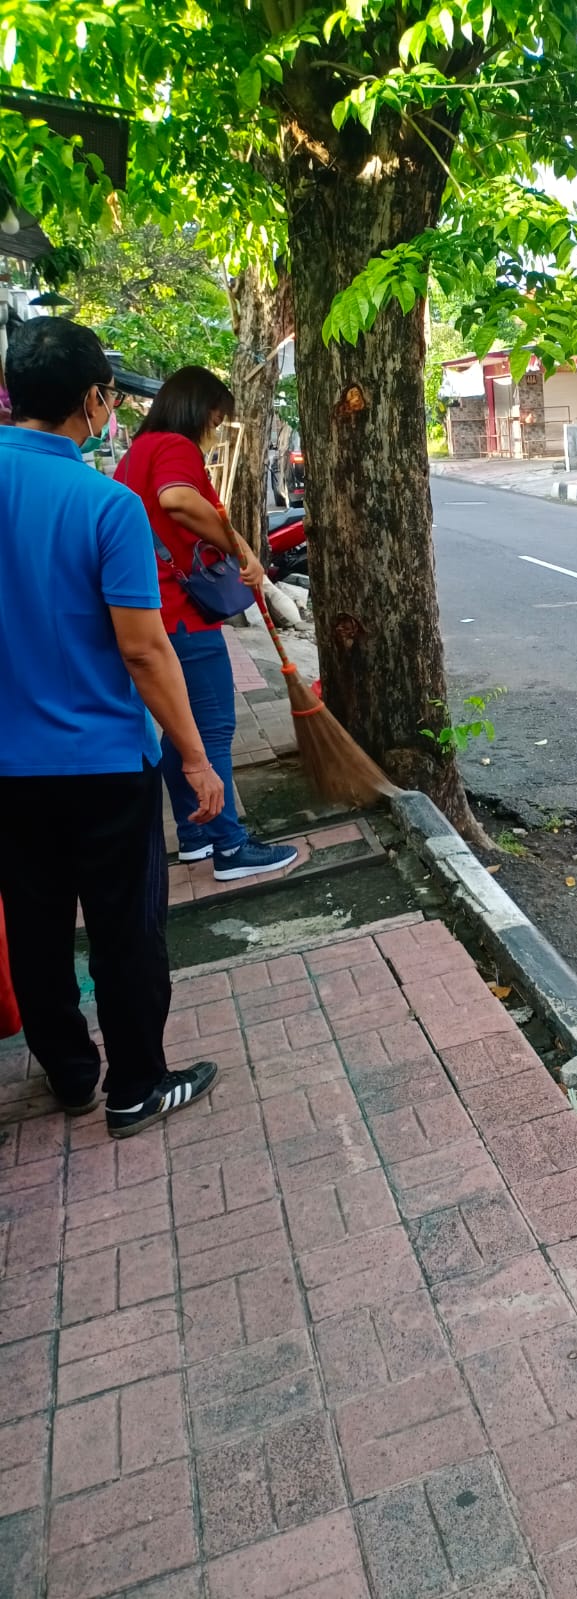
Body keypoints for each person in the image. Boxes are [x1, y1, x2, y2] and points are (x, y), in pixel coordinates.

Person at [0, 318, 225, 1137]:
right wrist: (198, 760)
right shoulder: (106, 506)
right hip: (102, 764)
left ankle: (69, 1072)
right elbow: (144, 648)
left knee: (34, 925)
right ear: (95, 402)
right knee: (126, 928)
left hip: (7, 770)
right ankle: (136, 1085)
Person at [116, 367, 298, 881]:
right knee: (211, 727)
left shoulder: (137, 452)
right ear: (202, 410)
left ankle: (196, 836)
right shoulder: (174, 446)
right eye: (218, 418)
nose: (216, 430)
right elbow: (177, 499)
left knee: (180, 731)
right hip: (181, 615)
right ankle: (231, 847)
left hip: (150, 611)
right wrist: (238, 545)